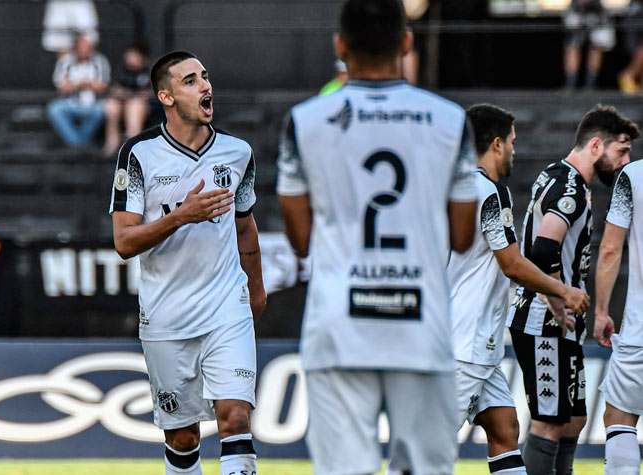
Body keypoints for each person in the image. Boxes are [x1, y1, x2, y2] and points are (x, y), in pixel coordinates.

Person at [276, 0, 479, 473]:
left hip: (338, 324)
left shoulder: (304, 121)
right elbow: (464, 237)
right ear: (406, 43)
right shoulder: (450, 120)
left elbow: (301, 241)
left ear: (340, 46)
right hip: (420, 324)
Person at [110, 50, 266, 475]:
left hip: (225, 308)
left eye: (205, 77)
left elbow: (245, 226)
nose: (205, 85)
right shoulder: (138, 155)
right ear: (166, 96)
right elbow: (123, 242)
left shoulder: (237, 153)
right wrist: (182, 216)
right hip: (166, 315)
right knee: (183, 437)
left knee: (235, 418)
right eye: (191, 80)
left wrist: (255, 288)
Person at [448, 104, 589, 475]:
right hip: (466, 343)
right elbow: (511, 264)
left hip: (476, 342)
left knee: (504, 429)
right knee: (429, 448)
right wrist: (563, 291)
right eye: (512, 142)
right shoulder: (490, 193)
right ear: (496, 144)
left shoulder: (455, 186)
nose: (514, 150)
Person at [506, 105, 638, 475]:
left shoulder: (560, 176)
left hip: (560, 322)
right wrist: (557, 299)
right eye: (622, 150)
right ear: (596, 145)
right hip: (543, 321)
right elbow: (543, 248)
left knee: (575, 418)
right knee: (549, 422)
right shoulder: (569, 187)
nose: (625, 161)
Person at [594, 158, 643, 474]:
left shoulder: (633, 175)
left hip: (640, 332)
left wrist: (601, 311)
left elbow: (611, 249)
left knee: (619, 417)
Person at [47, 33, 110, 148]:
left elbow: (102, 87)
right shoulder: (65, 61)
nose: (85, 50)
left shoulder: (100, 60)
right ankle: (77, 144)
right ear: (76, 47)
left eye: (88, 47)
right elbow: (61, 87)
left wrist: (76, 84)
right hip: (70, 103)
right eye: (82, 47)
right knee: (55, 109)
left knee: (102, 109)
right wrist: (85, 84)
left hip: (92, 103)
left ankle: (78, 144)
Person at [103, 39, 153, 155]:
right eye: (129, 54)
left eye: (134, 55)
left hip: (142, 107)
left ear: (142, 57)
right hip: (120, 102)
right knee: (111, 105)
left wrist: (131, 95)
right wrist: (124, 94)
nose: (130, 57)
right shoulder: (120, 69)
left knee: (135, 105)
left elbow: (149, 92)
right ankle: (112, 141)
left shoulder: (148, 70)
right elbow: (113, 89)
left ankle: (132, 143)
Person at [563, 0, 615, 90]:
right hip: (576, 8)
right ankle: (570, 84)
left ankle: (590, 84)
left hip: (596, 9)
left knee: (597, 45)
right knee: (572, 44)